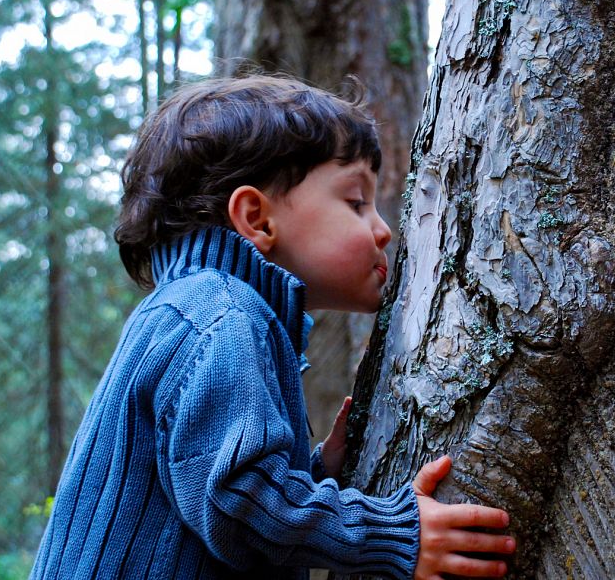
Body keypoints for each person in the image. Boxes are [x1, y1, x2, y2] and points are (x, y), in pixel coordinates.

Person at [30, 75, 516, 579]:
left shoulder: (192, 312)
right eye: (355, 202)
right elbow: (238, 500)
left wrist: (314, 472)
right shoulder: (220, 316)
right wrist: (390, 535)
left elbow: (208, 486)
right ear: (256, 219)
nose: (383, 228)